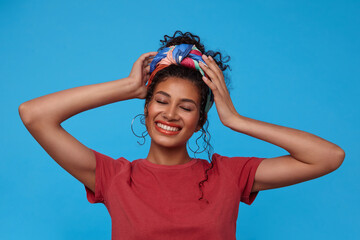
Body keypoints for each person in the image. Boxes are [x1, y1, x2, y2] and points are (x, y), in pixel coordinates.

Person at [19, 31, 345, 240]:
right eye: (161, 101)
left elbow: (328, 157)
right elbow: (34, 115)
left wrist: (235, 119)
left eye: (186, 107)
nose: (171, 114)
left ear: (201, 121)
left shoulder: (229, 175)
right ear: (146, 109)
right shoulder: (113, 177)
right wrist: (126, 87)